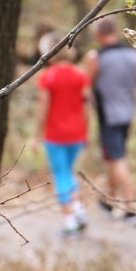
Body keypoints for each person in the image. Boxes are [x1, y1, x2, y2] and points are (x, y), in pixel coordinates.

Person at [84, 17, 136, 223]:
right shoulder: (134, 54)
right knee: (112, 157)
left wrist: (84, 118)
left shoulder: (95, 57)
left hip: (108, 115)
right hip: (128, 114)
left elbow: (86, 89)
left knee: (117, 158)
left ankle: (130, 206)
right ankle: (107, 199)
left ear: (98, 34)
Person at [34, 32, 90, 237]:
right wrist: (86, 132)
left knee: (61, 174)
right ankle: (78, 209)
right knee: (68, 172)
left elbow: (43, 109)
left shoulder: (47, 76)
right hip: (77, 133)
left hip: (55, 135)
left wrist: (35, 135)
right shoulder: (80, 74)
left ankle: (69, 219)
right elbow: (86, 107)